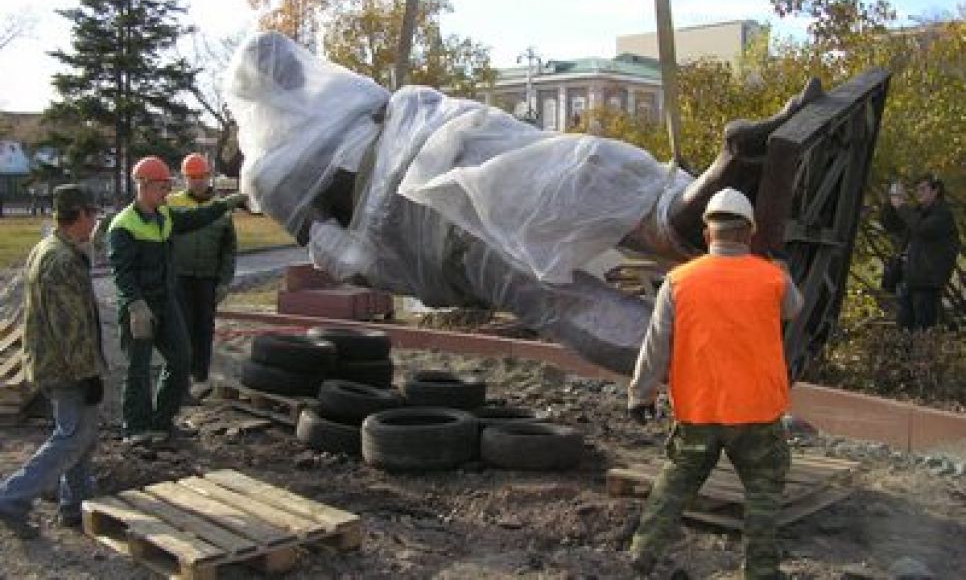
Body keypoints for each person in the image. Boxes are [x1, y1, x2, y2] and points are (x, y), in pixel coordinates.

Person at [225, 31, 823, 374]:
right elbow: (341, 240)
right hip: (443, 147)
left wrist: (388, 260)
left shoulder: (275, 166)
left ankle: (708, 351)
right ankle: (710, 184)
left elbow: (336, 252)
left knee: (552, 284)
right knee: (574, 172)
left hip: (424, 211)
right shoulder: (333, 104)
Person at [626, 187, 803, 579]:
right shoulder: (772, 279)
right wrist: (784, 270)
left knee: (675, 485)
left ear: (708, 235)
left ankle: (643, 554)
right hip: (757, 413)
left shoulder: (678, 281)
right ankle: (761, 570)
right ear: (750, 234)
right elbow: (794, 309)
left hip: (698, 410)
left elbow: (656, 343)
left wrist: (641, 393)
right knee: (763, 494)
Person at [106, 156, 248, 446]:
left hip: (165, 302)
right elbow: (122, 273)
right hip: (139, 308)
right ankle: (135, 428)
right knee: (138, 368)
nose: (167, 192)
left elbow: (197, 218)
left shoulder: (165, 216)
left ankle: (162, 422)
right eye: (162, 187)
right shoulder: (124, 225)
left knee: (181, 358)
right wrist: (135, 305)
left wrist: (227, 203)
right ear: (144, 186)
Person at [0, 185, 105, 539]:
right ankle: (12, 497)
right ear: (80, 215)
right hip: (65, 367)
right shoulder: (61, 261)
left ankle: (75, 504)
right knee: (71, 438)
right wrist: (88, 374)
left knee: (81, 436)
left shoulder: (49, 248)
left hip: (54, 361)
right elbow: (70, 326)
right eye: (92, 214)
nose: (95, 222)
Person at [168, 153, 238, 398]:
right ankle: (182, 378)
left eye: (201, 176)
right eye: (192, 177)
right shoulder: (172, 203)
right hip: (180, 277)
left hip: (208, 279)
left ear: (208, 177)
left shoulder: (221, 209)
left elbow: (229, 249)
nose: (197, 181)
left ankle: (201, 377)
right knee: (182, 328)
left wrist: (224, 282)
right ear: (184, 178)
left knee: (204, 328)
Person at [880, 174, 960, 331]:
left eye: (923, 189)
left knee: (923, 329)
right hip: (908, 279)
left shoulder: (942, 214)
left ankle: (923, 348)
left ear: (935, 191)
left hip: (928, 282)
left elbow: (923, 229)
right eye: (917, 190)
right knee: (904, 328)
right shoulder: (917, 213)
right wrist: (892, 200)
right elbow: (890, 224)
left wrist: (902, 207)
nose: (918, 193)